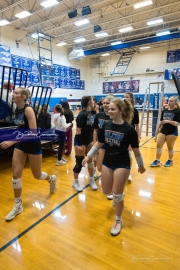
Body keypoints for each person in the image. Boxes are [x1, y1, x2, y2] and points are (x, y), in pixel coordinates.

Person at [82, 98, 146, 236]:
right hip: (107, 162)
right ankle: (119, 194)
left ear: (121, 110)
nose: (109, 111)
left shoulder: (129, 130)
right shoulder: (106, 126)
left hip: (122, 164)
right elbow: (99, 144)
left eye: (112, 109)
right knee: (106, 192)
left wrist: (141, 165)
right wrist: (88, 156)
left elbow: (136, 150)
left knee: (116, 195)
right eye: (109, 109)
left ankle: (118, 219)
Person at [0, 87, 56, 221]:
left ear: (24, 97)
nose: (13, 94)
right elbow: (20, 128)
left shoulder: (28, 109)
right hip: (21, 145)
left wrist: (12, 141)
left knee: (37, 175)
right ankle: (18, 204)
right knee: (16, 174)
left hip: (32, 144)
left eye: (16, 93)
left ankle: (51, 179)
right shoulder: (17, 110)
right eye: (14, 92)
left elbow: (33, 132)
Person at [72, 96, 97, 191]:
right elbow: (78, 130)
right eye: (92, 100)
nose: (94, 102)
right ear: (89, 102)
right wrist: (80, 144)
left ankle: (91, 180)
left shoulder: (90, 113)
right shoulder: (82, 115)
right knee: (79, 163)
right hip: (80, 141)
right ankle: (75, 182)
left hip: (89, 141)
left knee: (90, 162)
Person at [150, 96, 180, 167]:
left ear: (175, 102)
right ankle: (157, 161)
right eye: (169, 100)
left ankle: (170, 160)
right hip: (163, 130)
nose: (169, 102)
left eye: (171, 101)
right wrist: (157, 129)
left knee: (170, 147)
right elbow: (161, 121)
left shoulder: (177, 111)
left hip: (172, 132)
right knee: (158, 145)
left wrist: (168, 121)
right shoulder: (164, 110)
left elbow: (178, 123)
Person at [124, 92, 140, 182]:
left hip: (130, 136)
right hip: (121, 135)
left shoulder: (135, 111)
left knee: (129, 154)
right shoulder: (121, 109)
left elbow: (137, 125)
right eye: (124, 97)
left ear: (131, 98)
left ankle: (128, 172)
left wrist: (138, 137)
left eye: (127, 97)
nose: (125, 98)